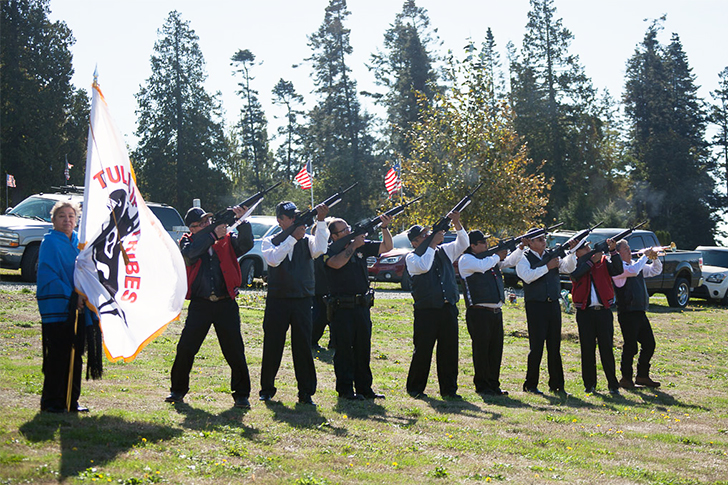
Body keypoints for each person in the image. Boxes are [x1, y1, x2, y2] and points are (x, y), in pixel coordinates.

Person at [165, 205, 254, 408]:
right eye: (201, 223)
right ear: (193, 228)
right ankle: (177, 391)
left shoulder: (226, 237)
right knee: (186, 348)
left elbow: (245, 245)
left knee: (234, 350)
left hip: (225, 303)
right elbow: (190, 255)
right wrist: (212, 235)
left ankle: (242, 394)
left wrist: (243, 222)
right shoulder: (188, 241)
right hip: (201, 304)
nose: (206, 224)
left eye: (207, 221)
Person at [259, 201, 329, 405]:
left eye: (296, 216)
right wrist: (291, 238)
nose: (295, 220)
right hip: (278, 299)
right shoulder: (269, 240)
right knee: (272, 345)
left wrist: (322, 221)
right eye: (290, 217)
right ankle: (267, 388)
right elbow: (273, 260)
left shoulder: (307, 240)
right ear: (280, 221)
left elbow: (321, 249)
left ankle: (306, 392)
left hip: (302, 299)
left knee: (303, 346)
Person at [323, 215, 393, 400]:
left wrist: (384, 227)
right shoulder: (330, 250)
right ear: (335, 236)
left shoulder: (361, 245)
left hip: (361, 306)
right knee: (344, 350)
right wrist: (353, 246)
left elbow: (387, 247)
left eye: (348, 228)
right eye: (344, 230)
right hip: (341, 307)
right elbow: (336, 264)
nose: (349, 232)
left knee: (363, 349)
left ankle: (365, 388)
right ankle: (345, 390)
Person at [405, 211, 468, 400]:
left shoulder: (444, 251)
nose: (426, 237)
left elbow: (463, 244)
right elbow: (424, 266)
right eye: (422, 236)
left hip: (447, 308)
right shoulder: (412, 257)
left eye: (427, 234)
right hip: (427, 310)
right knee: (423, 350)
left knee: (449, 351)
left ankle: (449, 389)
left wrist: (457, 223)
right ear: (414, 242)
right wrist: (431, 244)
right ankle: (415, 388)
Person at [36, 201, 89, 413]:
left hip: (79, 307)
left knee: (75, 355)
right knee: (58, 354)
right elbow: (49, 275)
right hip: (58, 307)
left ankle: (71, 400)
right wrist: (71, 297)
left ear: (76, 220)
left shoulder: (80, 244)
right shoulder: (49, 242)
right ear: (53, 220)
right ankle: (52, 401)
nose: (67, 220)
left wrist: (85, 294)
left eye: (71, 216)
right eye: (61, 216)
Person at [458, 230, 523, 397]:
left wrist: (521, 247)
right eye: (482, 243)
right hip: (479, 312)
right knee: (481, 350)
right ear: (472, 246)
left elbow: (510, 261)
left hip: (495, 312)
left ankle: (494, 384)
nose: (486, 245)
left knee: (495, 350)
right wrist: (496, 255)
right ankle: (482, 385)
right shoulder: (467, 259)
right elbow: (482, 266)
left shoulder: (489, 259)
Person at [516, 230, 577, 396]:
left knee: (554, 346)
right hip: (536, 305)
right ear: (530, 243)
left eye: (544, 239)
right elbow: (527, 276)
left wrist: (571, 252)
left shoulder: (551, 255)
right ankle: (531, 384)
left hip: (553, 305)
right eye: (539, 239)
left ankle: (557, 385)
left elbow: (568, 267)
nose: (544, 242)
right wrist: (546, 267)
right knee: (536, 347)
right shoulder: (523, 257)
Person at [569, 239, 623, 395]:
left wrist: (613, 251)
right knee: (587, 349)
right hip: (585, 312)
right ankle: (589, 384)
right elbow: (575, 276)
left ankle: (613, 385)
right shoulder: (575, 263)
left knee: (607, 349)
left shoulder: (603, 261)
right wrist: (591, 263)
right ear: (578, 252)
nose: (589, 248)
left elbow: (618, 270)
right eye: (585, 247)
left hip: (603, 311)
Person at [612, 241, 663, 389]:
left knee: (649, 344)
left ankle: (642, 375)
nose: (629, 251)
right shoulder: (618, 268)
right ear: (618, 253)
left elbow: (655, 271)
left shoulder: (636, 264)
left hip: (639, 311)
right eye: (625, 249)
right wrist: (645, 256)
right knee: (631, 346)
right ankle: (626, 378)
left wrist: (655, 258)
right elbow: (633, 271)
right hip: (627, 312)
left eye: (629, 248)